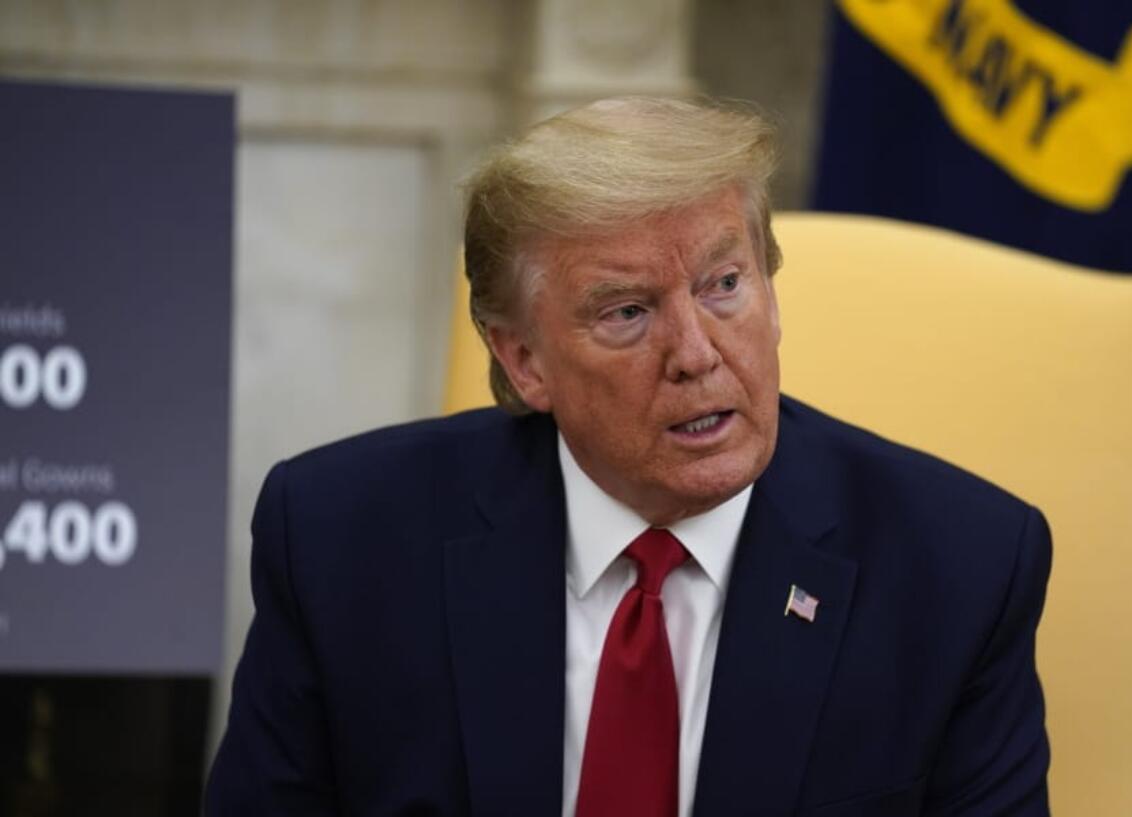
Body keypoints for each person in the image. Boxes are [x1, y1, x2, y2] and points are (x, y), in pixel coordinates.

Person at [206, 97, 1052, 816]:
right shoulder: (338, 542)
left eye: (725, 285)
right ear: (524, 360)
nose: (696, 352)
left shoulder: (961, 568)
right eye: (626, 312)